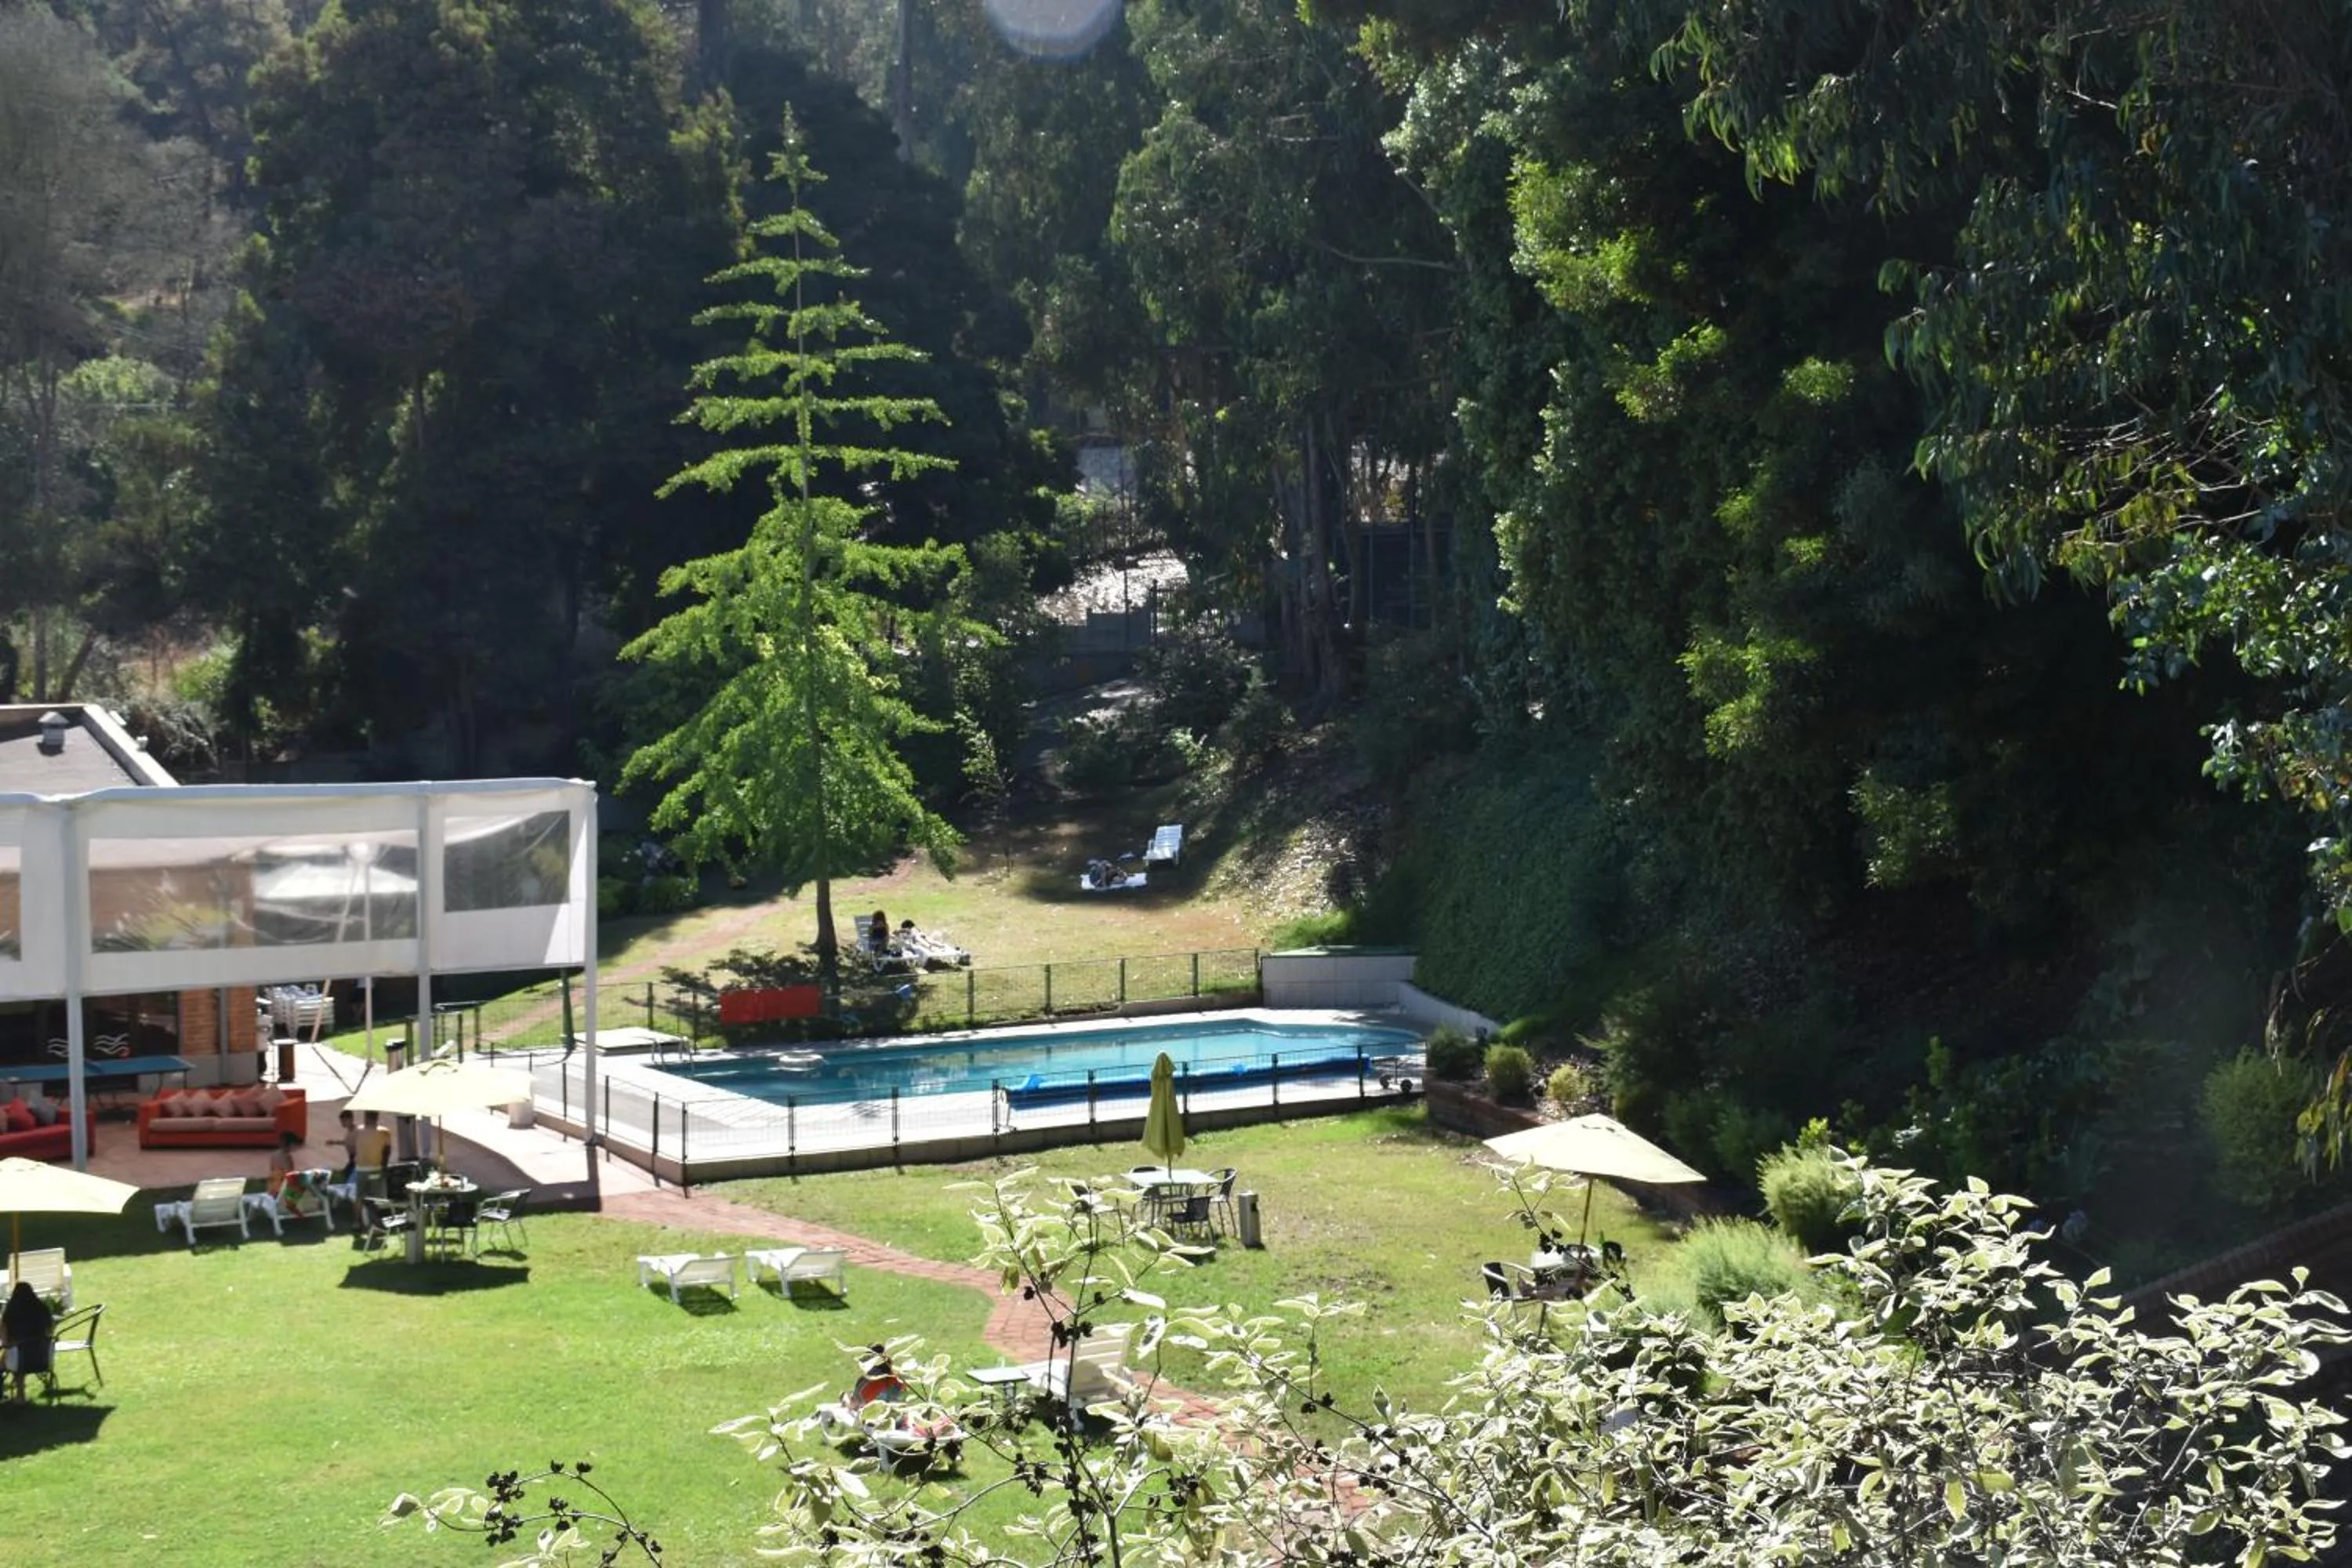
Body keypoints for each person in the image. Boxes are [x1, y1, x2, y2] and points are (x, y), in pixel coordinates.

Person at [2, 1279, 53, 1402]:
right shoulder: (42, 1308)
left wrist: (8, 1344)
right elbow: (50, 1331)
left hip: (20, 1359)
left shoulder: (11, 1312)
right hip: (43, 1358)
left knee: (6, 1360)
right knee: (15, 1355)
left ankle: (16, 1394)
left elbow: (5, 1342)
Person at [268, 1131, 319, 1217]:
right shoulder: (287, 1157)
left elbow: (273, 1171)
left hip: (273, 1189)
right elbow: (290, 1175)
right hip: (283, 1191)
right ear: (291, 1145)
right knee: (307, 1184)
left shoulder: (274, 1155)